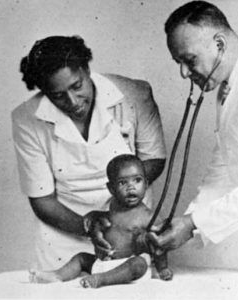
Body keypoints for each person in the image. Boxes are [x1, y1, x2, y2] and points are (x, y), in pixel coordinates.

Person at [147, 1, 238, 281]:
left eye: (189, 60)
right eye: (180, 64)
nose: (184, 74)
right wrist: (186, 221)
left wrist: (193, 224)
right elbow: (224, 166)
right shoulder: (232, 85)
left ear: (220, 44)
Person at [12, 35, 166, 270]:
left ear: (86, 69)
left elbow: (154, 157)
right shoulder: (26, 118)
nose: (73, 102)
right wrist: (86, 224)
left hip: (130, 228)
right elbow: (42, 198)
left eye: (77, 86)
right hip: (63, 239)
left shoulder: (133, 94)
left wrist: (121, 194)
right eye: (57, 95)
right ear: (44, 91)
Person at [29, 154, 173, 288]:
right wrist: (93, 215)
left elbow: (160, 246)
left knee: (138, 263)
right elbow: (108, 220)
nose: (131, 186)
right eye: (123, 182)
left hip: (130, 269)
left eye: (137, 180)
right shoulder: (114, 206)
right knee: (81, 258)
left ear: (146, 184)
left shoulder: (148, 216)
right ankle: (57, 275)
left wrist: (163, 268)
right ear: (111, 188)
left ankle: (100, 280)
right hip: (104, 263)